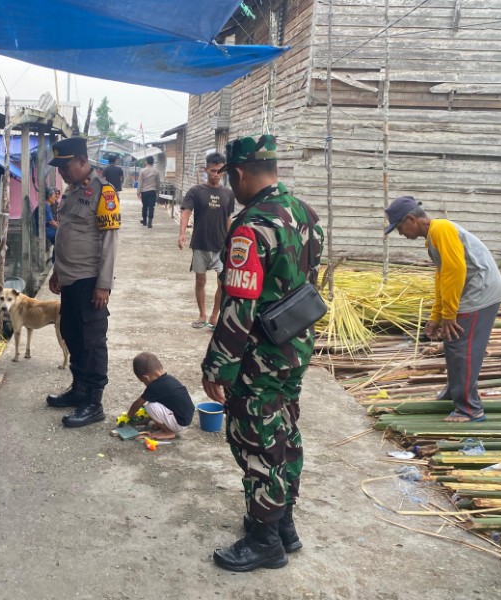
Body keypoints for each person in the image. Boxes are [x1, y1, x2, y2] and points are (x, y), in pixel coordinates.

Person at [201, 135, 323, 572]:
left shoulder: (251, 225)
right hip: (295, 347)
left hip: (259, 358)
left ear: (237, 174)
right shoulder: (305, 213)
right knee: (285, 432)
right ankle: (283, 523)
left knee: (256, 441)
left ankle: (264, 540)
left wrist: (217, 364)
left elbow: (239, 305)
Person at [385, 195, 501, 423]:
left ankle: (470, 409)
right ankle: (455, 394)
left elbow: (455, 272)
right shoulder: (433, 236)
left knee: (463, 347)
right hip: (471, 291)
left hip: (480, 292)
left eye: (400, 227)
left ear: (411, 219)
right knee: (454, 345)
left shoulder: (442, 229)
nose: (401, 234)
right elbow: (442, 277)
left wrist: (449, 315)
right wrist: (436, 315)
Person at [45, 136, 120, 428]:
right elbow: (67, 234)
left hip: (90, 281)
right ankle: (78, 391)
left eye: (65, 166)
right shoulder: (73, 190)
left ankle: (94, 402)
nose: (61, 172)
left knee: (92, 342)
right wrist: (56, 271)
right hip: (70, 278)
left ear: (83, 161)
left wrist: (104, 284)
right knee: (72, 333)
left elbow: (110, 241)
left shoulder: (104, 192)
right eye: (59, 168)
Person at [178, 152, 235, 330]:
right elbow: (186, 211)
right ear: (206, 170)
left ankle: (214, 316)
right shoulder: (196, 191)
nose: (216, 174)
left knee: (222, 283)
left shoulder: (228, 194)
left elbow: (228, 218)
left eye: (219, 171)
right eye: (212, 170)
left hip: (221, 245)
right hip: (201, 243)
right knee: (200, 280)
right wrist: (182, 233)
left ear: (223, 171)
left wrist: (231, 238)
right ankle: (202, 314)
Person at [127, 352, 194, 441]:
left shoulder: (154, 387)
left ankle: (168, 432)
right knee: (152, 401)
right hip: (185, 417)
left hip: (180, 423)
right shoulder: (168, 379)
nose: (145, 384)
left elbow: (137, 403)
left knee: (150, 406)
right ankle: (165, 425)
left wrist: (129, 416)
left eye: (143, 381)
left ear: (146, 378)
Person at [137, 155, 160, 228]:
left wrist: (138, 192)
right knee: (151, 206)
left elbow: (140, 183)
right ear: (153, 162)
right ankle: (150, 222)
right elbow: (158, 183)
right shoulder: (156, 171)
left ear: (146, 162)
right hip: (152, 191)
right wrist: (158, 192)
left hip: (144, 191)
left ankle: (144, 221)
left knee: (145, 206)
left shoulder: (142, 171)